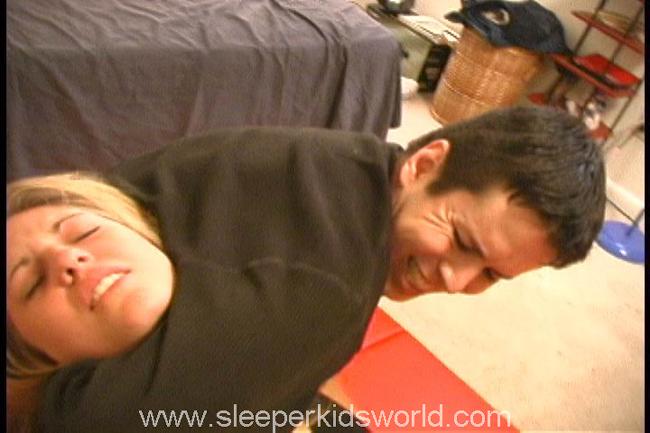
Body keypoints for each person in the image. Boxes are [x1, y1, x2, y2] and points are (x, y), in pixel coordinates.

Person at [6, 106, 606, 432]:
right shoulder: (331, 295)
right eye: (462, 240)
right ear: (425, 164)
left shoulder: (341, 159)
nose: (454, 279)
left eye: (490, 275)